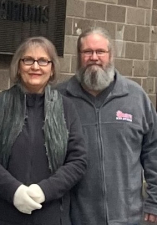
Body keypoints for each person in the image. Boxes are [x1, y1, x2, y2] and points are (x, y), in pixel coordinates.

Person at [0, 36, 87, 225]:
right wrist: (14, 192)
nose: (35, 67)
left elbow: (78, 161)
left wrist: (44, 191)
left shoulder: (66, 108)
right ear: (18, 66)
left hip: (50, 217)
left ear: (52, 69)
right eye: (28, 60)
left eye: (43, 61)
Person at [57, 27, 157, 225]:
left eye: (100, 51)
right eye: (87, 52)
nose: (94, 57)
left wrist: (154, 201)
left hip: (129, 217)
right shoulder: (59, 98)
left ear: (111, 55)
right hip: (76, 217)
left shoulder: (136, 97)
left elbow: (153, 151)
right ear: (79, 56)